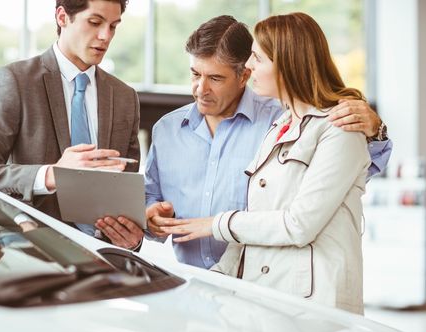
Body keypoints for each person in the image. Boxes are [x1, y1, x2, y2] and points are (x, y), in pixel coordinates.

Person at [96, 15, 392, 267]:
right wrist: (152, 216)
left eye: (215, 78)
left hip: (263, 283)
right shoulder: (167, 130)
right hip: (191, 282)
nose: (201, 89)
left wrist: (374, 129)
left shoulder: (282, 122)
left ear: (244, 75)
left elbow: (348, 175)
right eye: (195, 74)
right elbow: (151, 197)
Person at [159, 12, 373, 314]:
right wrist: (214, 280)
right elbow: (256, 217)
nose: (247, 66)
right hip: (266, 300)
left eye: (256, 59)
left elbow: (298, 225)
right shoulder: (281, 126)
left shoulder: (338, 128)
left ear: (286, 64)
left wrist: (215, 225)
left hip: (316, 307)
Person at [0, 0, 140, 246]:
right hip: (35, 256)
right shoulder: (16, 81)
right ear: (62, 17)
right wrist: (52, 174)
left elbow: (125, 197)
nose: (105, 36)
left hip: (106, 263)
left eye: (114, 26)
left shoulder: (125, 96)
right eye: (95, 22)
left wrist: (132, 240)